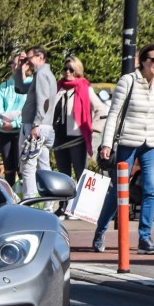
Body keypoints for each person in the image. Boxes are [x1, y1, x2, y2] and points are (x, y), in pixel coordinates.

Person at [92, 43, 154, 255]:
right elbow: (115, 114)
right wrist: (107, 144)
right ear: (143, 62)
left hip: (151, 144)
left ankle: (144, 238)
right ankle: (100, 231)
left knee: (151, 189)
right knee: (119, 189)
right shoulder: (127, 81)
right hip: (128, 141)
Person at [51, 56, 106, 213]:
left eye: (71, 69)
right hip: (59, 137)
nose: (67, 72)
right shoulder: (58, 87)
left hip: (77, 138)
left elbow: (101, 109)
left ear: (77, 71)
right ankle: (63, 205)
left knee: (81, 173)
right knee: (63, 175)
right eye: (65, 69)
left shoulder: (84, 88)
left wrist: (93, 130)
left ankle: (83, 207)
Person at [14, 46, 57, 201]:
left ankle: (29, 201)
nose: (28, 61)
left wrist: (35, 125)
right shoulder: (45, 74)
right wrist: (20, 69)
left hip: (36, 126)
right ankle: (49, 203)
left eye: (29, 58)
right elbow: (20, 88)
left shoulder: (41, 75)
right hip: (45, 127)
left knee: (28, 167)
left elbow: (43, 101)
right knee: (44, 166)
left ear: (40, 57)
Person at [0, 52, 28, 187]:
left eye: (20, 64)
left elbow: (30, 111)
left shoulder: (30, 86)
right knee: (9, 169)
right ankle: (11, 199)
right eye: (14, 64)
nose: (16, 66)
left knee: (23, 169)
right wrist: (2, 123)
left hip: (21, 132)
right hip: (4, 132)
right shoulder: (4, 87)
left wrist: (14, 124)